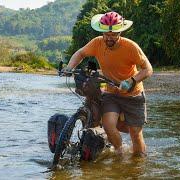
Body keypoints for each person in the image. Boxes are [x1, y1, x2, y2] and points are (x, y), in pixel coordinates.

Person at [63, 11, 153, 156]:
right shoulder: (97, 42)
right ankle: (120, 152)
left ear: (120, 32)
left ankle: (139, 164)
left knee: (135, 134)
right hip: (112, 93)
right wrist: (69, 67)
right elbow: (80, 53)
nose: (109, 38)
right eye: (106, 34)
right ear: (102, 32)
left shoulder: (131, 47)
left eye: (113, 34)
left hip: (133, 94)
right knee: (108, 125)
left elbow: (148, 69)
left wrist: (132, 80)